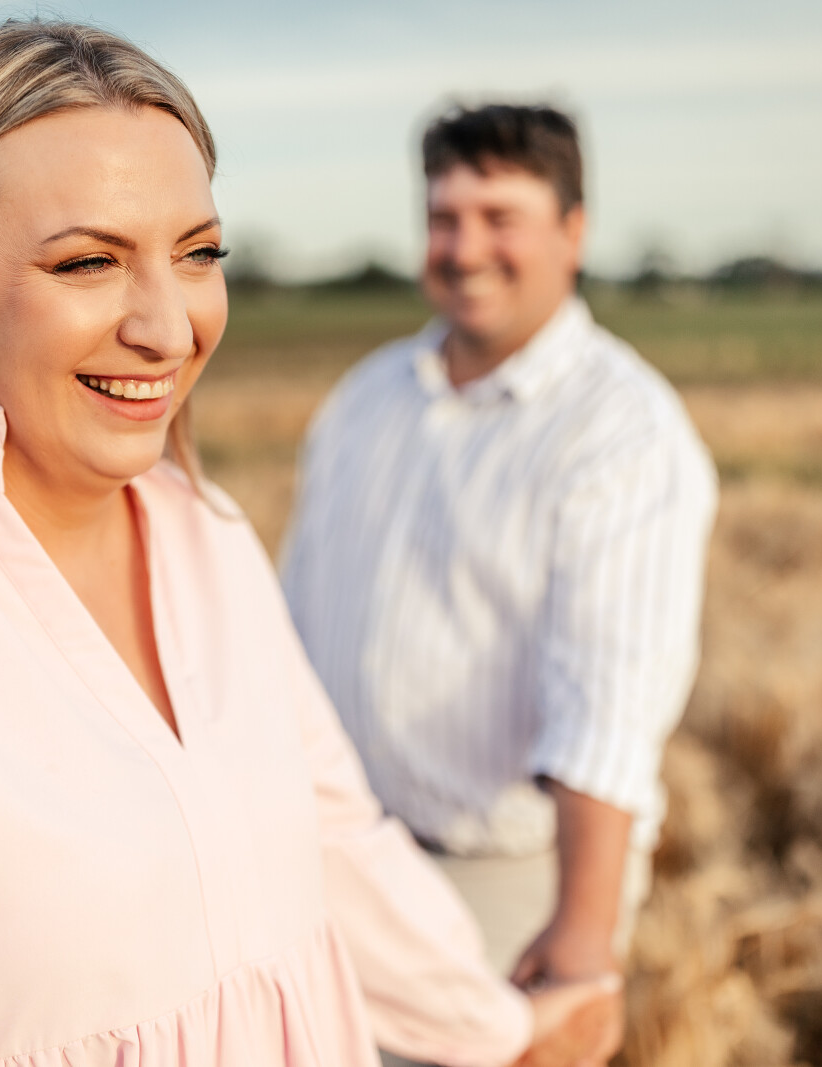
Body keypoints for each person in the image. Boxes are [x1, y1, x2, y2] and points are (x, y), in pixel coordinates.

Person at [0, 24, 617, 1067]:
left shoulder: (208, 535)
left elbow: (334, 845)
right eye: (88, 261)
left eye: (198, 254)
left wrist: (502, 1029)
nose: (169, 328)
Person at [281, 104, 718, 1067]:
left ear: (573, 231)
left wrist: (582, 940)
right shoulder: (367, 396)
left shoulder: (621, 431)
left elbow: (607, 711)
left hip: (508, 879)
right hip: (339, 856)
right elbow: (292, 623)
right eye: (444, 218)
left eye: (499, 217)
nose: (465, 247)